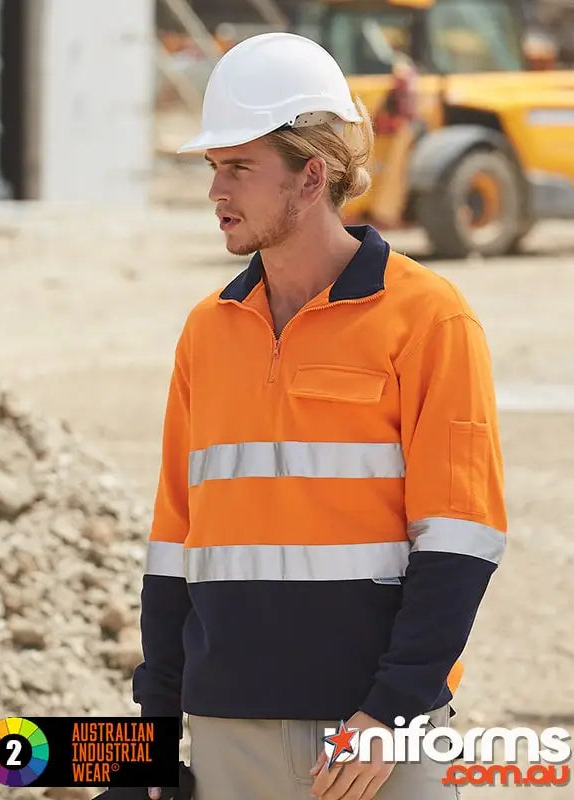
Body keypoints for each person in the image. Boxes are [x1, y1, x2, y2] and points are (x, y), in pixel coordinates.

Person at [132, 32, 507, 800]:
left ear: (312, 176)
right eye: (213, 168)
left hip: (374, 739)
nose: (216, 193)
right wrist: (148, 748)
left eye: (239, 168)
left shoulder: (429, 318)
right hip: (226, 732)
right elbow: (174, 545)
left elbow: (462, 538)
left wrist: (392, 712)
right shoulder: (208, 329)